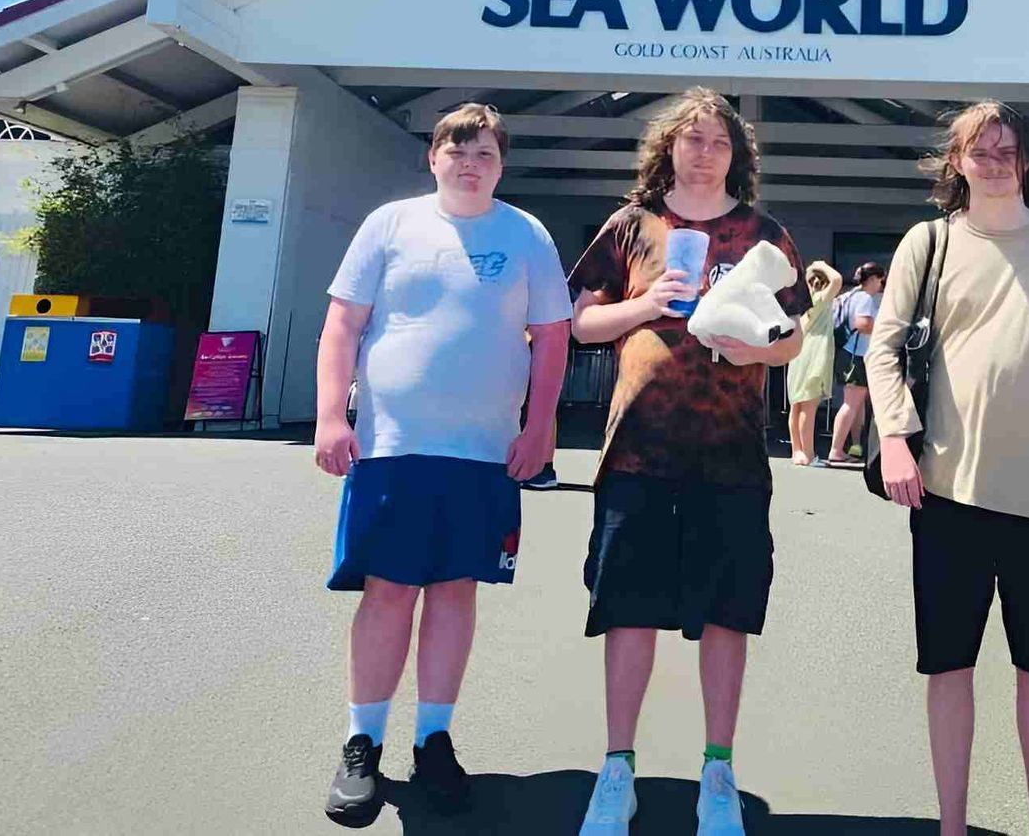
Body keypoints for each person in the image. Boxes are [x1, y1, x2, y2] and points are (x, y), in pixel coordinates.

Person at [314, 103, 572, 827]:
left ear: (501, 165)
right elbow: (343, 324)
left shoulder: (526, 234)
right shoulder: (390, 225)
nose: (471, 163)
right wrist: (332, 415)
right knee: (389, 591)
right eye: (458, 151)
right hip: (393, 445)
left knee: (457, 590)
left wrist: (542, 425)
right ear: (433, 157)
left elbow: (552, 337)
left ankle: (434, 740)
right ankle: (361, 742)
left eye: (485, 153)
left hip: (485, 454)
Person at [866, 101, 1029, 836]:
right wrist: (893, 439)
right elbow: (884, 348)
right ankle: (952, 826)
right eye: (982, 149)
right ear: (957, 162)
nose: (997, 159)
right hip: (943, 494)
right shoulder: (929, 242)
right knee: (949, 669)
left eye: (1010, 149)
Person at [567, 88, 810, 836]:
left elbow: (794, 337)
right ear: (667, 148)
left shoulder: (764, 234)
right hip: (638, 453)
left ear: (737, 156)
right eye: (691, 139)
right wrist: (647, 307)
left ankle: (718, 770)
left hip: (731, 456)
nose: (703, 151)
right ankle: (617, 769)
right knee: (628, 611)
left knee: (727, 612)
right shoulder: (630, 226)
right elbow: (580, 323)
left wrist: (759, 349)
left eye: (718, 142)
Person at [824, 261, 885, 467]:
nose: (881, 284)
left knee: (855, 404)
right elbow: (863, 324)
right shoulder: (865, 298)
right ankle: (836, 449)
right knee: (851, 404)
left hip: (845, 353)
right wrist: (885, 328)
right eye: (880, 280)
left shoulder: (847, 296)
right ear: (873, 279)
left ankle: (853, 446)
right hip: (856, 355)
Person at [786, 260, 843, 467]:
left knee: (796, 406)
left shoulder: (798, 305)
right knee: (808, 407)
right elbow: (837, 279)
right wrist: (821, 264)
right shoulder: (820, 300)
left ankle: (797, 451)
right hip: (814, 355)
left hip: (797, 355)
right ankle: (809, 455)